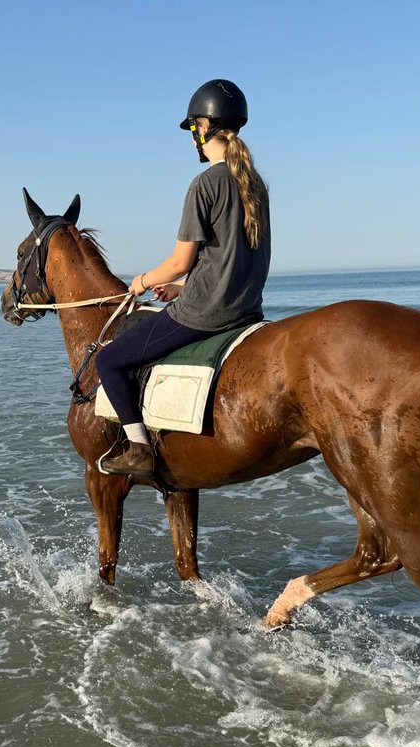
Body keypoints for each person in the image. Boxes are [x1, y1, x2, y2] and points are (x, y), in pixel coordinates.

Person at [95, 78, 272, 476]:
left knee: (110, 360)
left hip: (204, 315)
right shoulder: (254, 185)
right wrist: (180, 289)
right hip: (247, 311)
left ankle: (139, 449)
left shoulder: (205, 184)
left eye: (193, 128)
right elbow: (231, 259)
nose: (192, 136)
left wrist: (141, 281)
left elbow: (180, 261)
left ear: (203, 127)